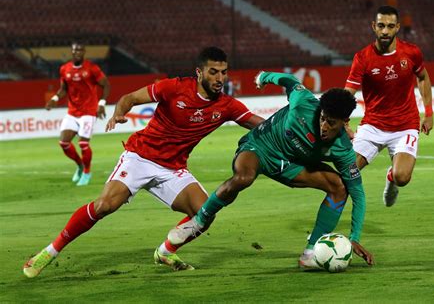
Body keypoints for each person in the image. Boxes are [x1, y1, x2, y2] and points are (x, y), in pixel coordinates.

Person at [23, 47, 264, 278]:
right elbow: (130, 98)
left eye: (224, 72)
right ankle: (49, 252)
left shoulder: (227, 105)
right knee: (104, 205)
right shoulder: (174, 87)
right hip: (140, 157)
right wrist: (119, 112)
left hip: (173, 169)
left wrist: (287, 125)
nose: (220, 78)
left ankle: (166, 252)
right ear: (199, 72)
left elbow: (259, 123)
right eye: (214, 72)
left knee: (204, 213)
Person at [168, 71, 374, 268]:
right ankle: (198, 220)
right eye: (322, 118)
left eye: (331, 123)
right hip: (260, 146)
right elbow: (290, 80)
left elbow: (358, 193)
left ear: (345, 122)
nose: (324, 126)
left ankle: (310, 254)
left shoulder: (343, 150)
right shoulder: (303, 102)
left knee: (339, 187)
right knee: (244, 176)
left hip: (290, 166)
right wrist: (264, 77)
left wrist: (355, 237)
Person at [344, 5, 433, 207]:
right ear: (374, 26)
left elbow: (423, 77)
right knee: (347, 174)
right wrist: (344, 122)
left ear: (398, 27)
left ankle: (391, 179)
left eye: (390, 26)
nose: (385, 31)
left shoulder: (411, 52)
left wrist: (428, 113)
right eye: (381, 26)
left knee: (402, 177)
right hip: (373, 125)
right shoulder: (363, 58)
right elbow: (348, 93)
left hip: (405, 126)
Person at [45, 42, 110, 186]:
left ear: (84, 52)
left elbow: (106, 85)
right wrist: (55, 98)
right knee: (63, 142)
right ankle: (80, 165)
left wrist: (101, 104)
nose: (78, 52)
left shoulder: (92, 69)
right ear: (72, 52)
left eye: (80, 50)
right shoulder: (64, 69)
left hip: (88, 112)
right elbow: (63, 89)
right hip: (72, 112)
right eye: (75, 50)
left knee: (83, 144)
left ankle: (87, 172)